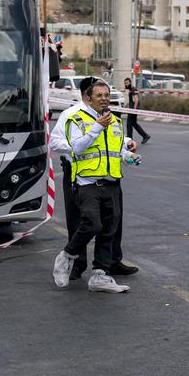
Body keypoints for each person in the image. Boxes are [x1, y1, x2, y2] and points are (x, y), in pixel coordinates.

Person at [51, 80, 139, 293]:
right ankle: (67, 257)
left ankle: (100, 275)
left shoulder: (115, 121)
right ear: (88, 98)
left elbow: (114, 150)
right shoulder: (75, 118)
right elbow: (77, 148)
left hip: (111, 181)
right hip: (87, 182)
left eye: (107, 95)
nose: (104, 99)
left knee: (109, 230)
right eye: (99, 95)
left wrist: (129, 156)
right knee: (91, 224)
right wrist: (97, 127)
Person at [121, 77, 150, 143]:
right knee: (134, 123)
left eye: (127, 83)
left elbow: (136, 99)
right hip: (132, 108)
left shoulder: (133, 89)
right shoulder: (130, 89)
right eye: (125, 83)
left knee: (129, 124)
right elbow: (126, 89)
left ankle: (129, 138)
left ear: (130, 83)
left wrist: (134, 109)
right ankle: (145, 136)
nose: (126, 84)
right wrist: (124, 89)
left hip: (133, 109)